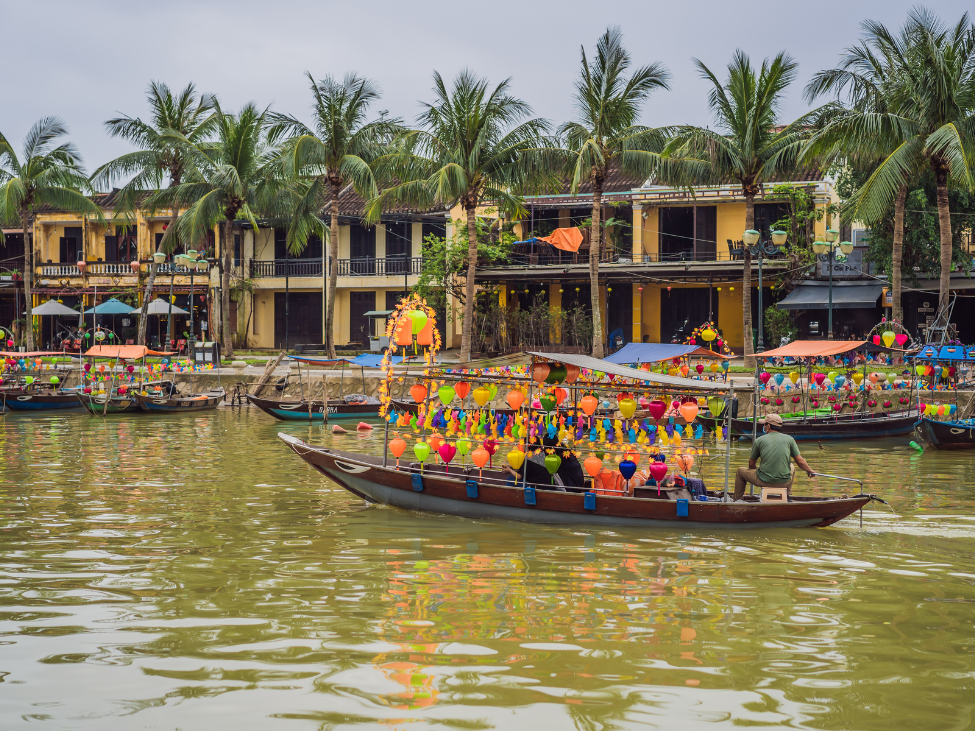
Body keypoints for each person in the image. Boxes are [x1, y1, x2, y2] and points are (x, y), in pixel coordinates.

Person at [734, 413, 815, 501]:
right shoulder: (790, 439)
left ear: (768, 426)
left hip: (763, 481)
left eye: (764, 425)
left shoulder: (759, 440)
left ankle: (737, 500)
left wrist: (758, 474)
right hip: (785, 482)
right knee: (792, 466)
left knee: (739, 472)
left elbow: (751, 464)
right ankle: (787, 496)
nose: (764, 427)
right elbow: (800, 461)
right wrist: (810, 470)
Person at [504, 433, 586, 491]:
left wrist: (509, 470)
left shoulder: (554, 456)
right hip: (573, 482)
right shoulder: (557, 451)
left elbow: (519, 476)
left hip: (569, 484)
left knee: (510, 479)